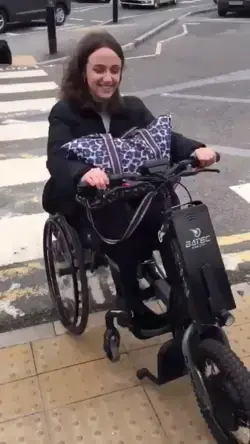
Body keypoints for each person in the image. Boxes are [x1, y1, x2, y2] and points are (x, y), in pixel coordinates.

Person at [43, 30, 217, 329]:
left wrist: (196, 149)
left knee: (171, 213)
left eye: (114, 70)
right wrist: (83, 172)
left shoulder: (132, 108)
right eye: (99, 69)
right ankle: (131, 302)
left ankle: (185, 295)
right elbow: (58, 157)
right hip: (91, 200)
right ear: (83, 71)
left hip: (135, 192)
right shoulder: (65, 113)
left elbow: (163, 139)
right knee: (121, 230)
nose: (108, 78)